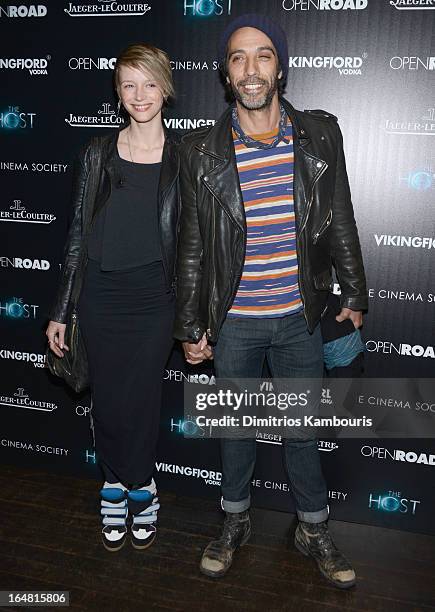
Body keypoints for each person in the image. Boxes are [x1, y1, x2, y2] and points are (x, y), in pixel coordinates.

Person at [174, 15, 367, 589]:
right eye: (238, 58)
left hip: (299, 316)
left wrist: (354, 292)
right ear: (226, 72)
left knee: (302, 428)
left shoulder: (319, 135)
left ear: (279, 67)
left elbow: (341, 220)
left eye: (262, 56)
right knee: (236, 428)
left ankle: (312, 526)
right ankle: (234, 521)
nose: (251, 69)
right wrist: (191, 322)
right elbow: (191, 245)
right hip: (233, 321)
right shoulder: (200, 151)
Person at [46, 43, 180, 552]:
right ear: (118, 94)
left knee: (140, 399)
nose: (139, 94)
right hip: (99, 296)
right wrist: (62, 310)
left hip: (153, 299)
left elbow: (193, 244)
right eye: (128, 84)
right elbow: (77, 236)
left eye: (148, 83)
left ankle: (141, 483)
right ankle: (112, 484)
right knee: (106, 399)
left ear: (165, 87)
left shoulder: (184, 156)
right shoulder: (97, 154)